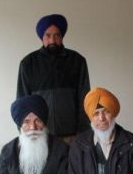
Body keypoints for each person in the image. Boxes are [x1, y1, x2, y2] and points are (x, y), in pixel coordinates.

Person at [17, 13, 91, 142]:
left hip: (72, 136)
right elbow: (22, 101)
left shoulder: (77, 61)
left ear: (62, 36)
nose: (52, 40)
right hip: (40, 136)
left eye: (57, 35)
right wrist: (26, 131)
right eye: (48, 35)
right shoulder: (28, 63)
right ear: (41, 37)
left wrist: (83, 133)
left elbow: (85, 99)